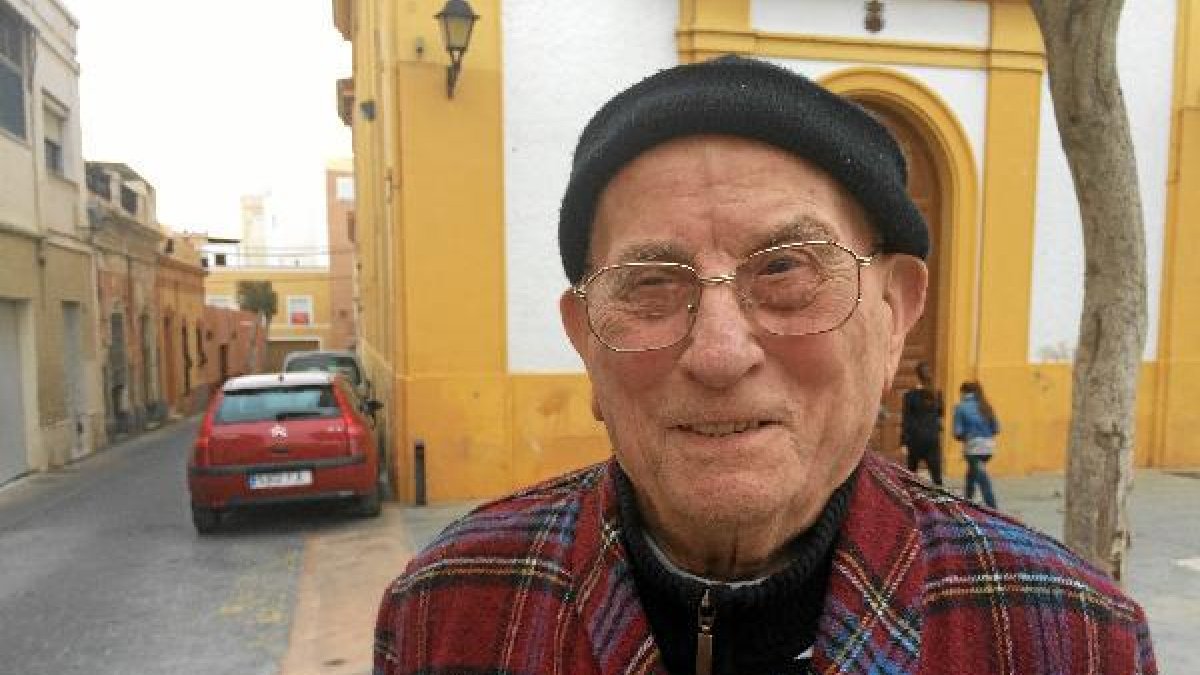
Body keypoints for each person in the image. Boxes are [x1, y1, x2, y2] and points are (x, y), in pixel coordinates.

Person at [374, 57, 1156, 674]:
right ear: (585, 340)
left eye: (786, 271)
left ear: (894, 317)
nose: (718, 353)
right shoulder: (448, 611)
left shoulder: (1070, 636)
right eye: (649, 283)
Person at [953, 380, 1000, 508]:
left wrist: (965, 437)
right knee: (971, 475)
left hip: (973, 448)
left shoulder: (960, 407)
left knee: (982, 479)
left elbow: (957, 432)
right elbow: (996, 428)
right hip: (989, 448)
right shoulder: (986, 405)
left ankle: (993, 508)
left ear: (963, 392)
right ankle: (967, 503)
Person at [900, 361, 943, 485]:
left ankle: (910, 503)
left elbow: (906, 420)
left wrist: (903, 442)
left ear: (917, 376)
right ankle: (940, 503)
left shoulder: (910, 396)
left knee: (911, 476)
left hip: (915, 439)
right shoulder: (937, 394)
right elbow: (940, 413)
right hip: (932, 438)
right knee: (937, 478)